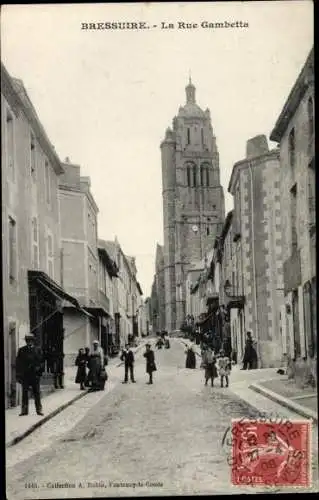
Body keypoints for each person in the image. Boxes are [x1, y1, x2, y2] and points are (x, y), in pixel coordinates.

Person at [16, 333, 44, 416]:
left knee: (37, 393)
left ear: (33, 341)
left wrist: (39, 371)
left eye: (31, 340)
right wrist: (18, 375)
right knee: (24, 393)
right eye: (27, 340)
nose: (29, 342)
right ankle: (24, 410)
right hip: (25, 376)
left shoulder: (38, 349)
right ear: (26, 341)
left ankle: (39, 410)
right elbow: (18, 363)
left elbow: (42, 362)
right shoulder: (21, 350)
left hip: (35, 375)